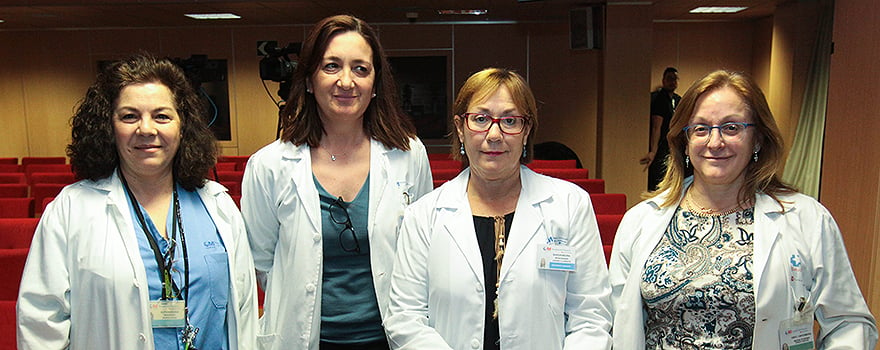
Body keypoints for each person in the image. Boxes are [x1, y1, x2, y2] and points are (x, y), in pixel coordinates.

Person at [610, 69, 878, 349]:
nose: (715, 142)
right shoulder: (640, 220)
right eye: (701, 128)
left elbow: (848, 323)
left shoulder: (806, 218)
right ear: (684, 141)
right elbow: (614, 321)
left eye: (732, 127)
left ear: (758, 139)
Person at [16, 53, 258, 349]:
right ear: (109, 126)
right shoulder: (71, 209)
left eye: (162, 116)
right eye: (129, 116)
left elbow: (244, 308)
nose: (146, 129)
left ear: (183, 126)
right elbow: (41, 321)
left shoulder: (217, 204)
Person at [241, 15, 433, 350]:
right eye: (332, 66)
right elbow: (261, 261)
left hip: (390, 337)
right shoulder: (269, 165)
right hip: (303, 338)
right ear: (310, 80)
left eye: (361, 69)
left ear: (376, 84)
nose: (347, 81)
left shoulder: (408, 154)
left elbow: (422, 251)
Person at [385, 68, 613, 349]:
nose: (494, 134)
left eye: (510, 120)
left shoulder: (569, 205)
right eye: (480, 119)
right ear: (460, 128)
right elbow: (405, 318)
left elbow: (590, 316)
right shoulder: (423, 216)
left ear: (527, 130)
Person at [641, 67, 681, 191]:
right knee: (659, 179)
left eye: (675, 79)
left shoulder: (677, 99)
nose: (672, 82)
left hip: (673, 145)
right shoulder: (659, 99)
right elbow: (656, 127)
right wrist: (653, 151)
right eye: (669, 79)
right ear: (663, 80)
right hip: (661, 146)